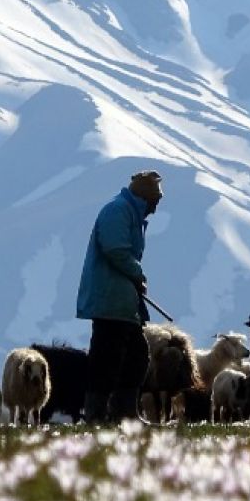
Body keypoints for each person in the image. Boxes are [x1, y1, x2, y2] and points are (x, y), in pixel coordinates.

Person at [76, 170, 163, 423]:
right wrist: (138, 274)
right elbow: (115, 249)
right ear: (144, 198)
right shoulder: (118, 211)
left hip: (121, 302)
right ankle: (98, 413)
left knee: (135, 355)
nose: (155, 209)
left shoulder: (128, 212)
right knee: (107, 357)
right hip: (110, 300)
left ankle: (124, 413)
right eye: (154, 202)